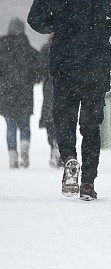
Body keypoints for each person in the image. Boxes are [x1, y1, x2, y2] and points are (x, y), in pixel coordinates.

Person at [28, 0, 111, 201]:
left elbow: (35, 19)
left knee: (64, 119)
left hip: (64, 64)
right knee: (91, 126)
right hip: (96, 65)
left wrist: (59, 24)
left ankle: (69, 158)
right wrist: (101, 28)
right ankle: (87, 182)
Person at [0, 18, 41, 169]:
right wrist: (33, 80)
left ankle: (12, 157)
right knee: (24, 124)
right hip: (24, 91)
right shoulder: (28, 49)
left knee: (10, 125)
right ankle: (24, 146)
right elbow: (39, 68)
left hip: (6, 92)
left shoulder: (2, 47)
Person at [39, 34, 62, 169]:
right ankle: (59, 146)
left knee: (50, 120)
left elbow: (41, 70)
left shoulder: (46, 49)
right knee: (62, 121)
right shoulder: (67, 48)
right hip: (65, 89)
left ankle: (54, 145)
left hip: (50, 88)